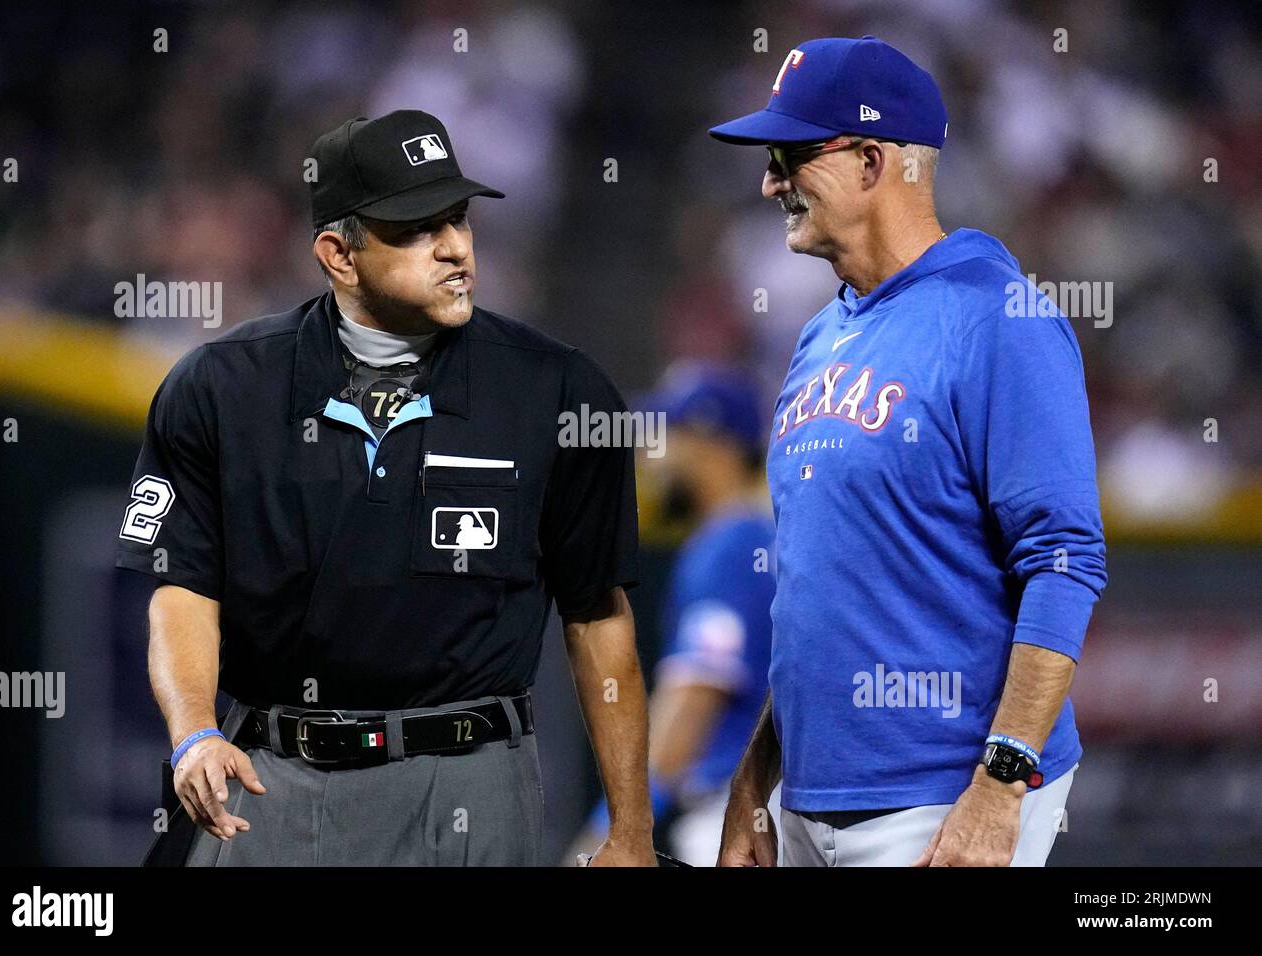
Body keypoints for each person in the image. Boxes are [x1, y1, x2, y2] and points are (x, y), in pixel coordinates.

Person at [117, 109, 656, 866]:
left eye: (459, 218)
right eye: (415, 228)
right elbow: (184, 588)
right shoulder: (222, 387)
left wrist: (632, 835)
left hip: (469, 781)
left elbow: (598, 615)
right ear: (339, 254)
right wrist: (193, 731)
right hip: (271, 775)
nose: (456, 249)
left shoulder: (559, 392)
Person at [707, 36, 1107, 866]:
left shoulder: (998, 316)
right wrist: (755, 782)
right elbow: (819, 598)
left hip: (940, 804)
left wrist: (1001, 785)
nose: (769, 181)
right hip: (813, 802)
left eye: (789, 155)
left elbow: (1064, 561)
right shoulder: (822, 336)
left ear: (869, 161)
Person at [566, 363, 779, 866]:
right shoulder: (762, 535)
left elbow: (692, 703)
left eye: (666, 437)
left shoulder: (730, 541)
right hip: (765, 809)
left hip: (727, 820)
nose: (649, 457)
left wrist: (609, 832)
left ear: (712, 443)